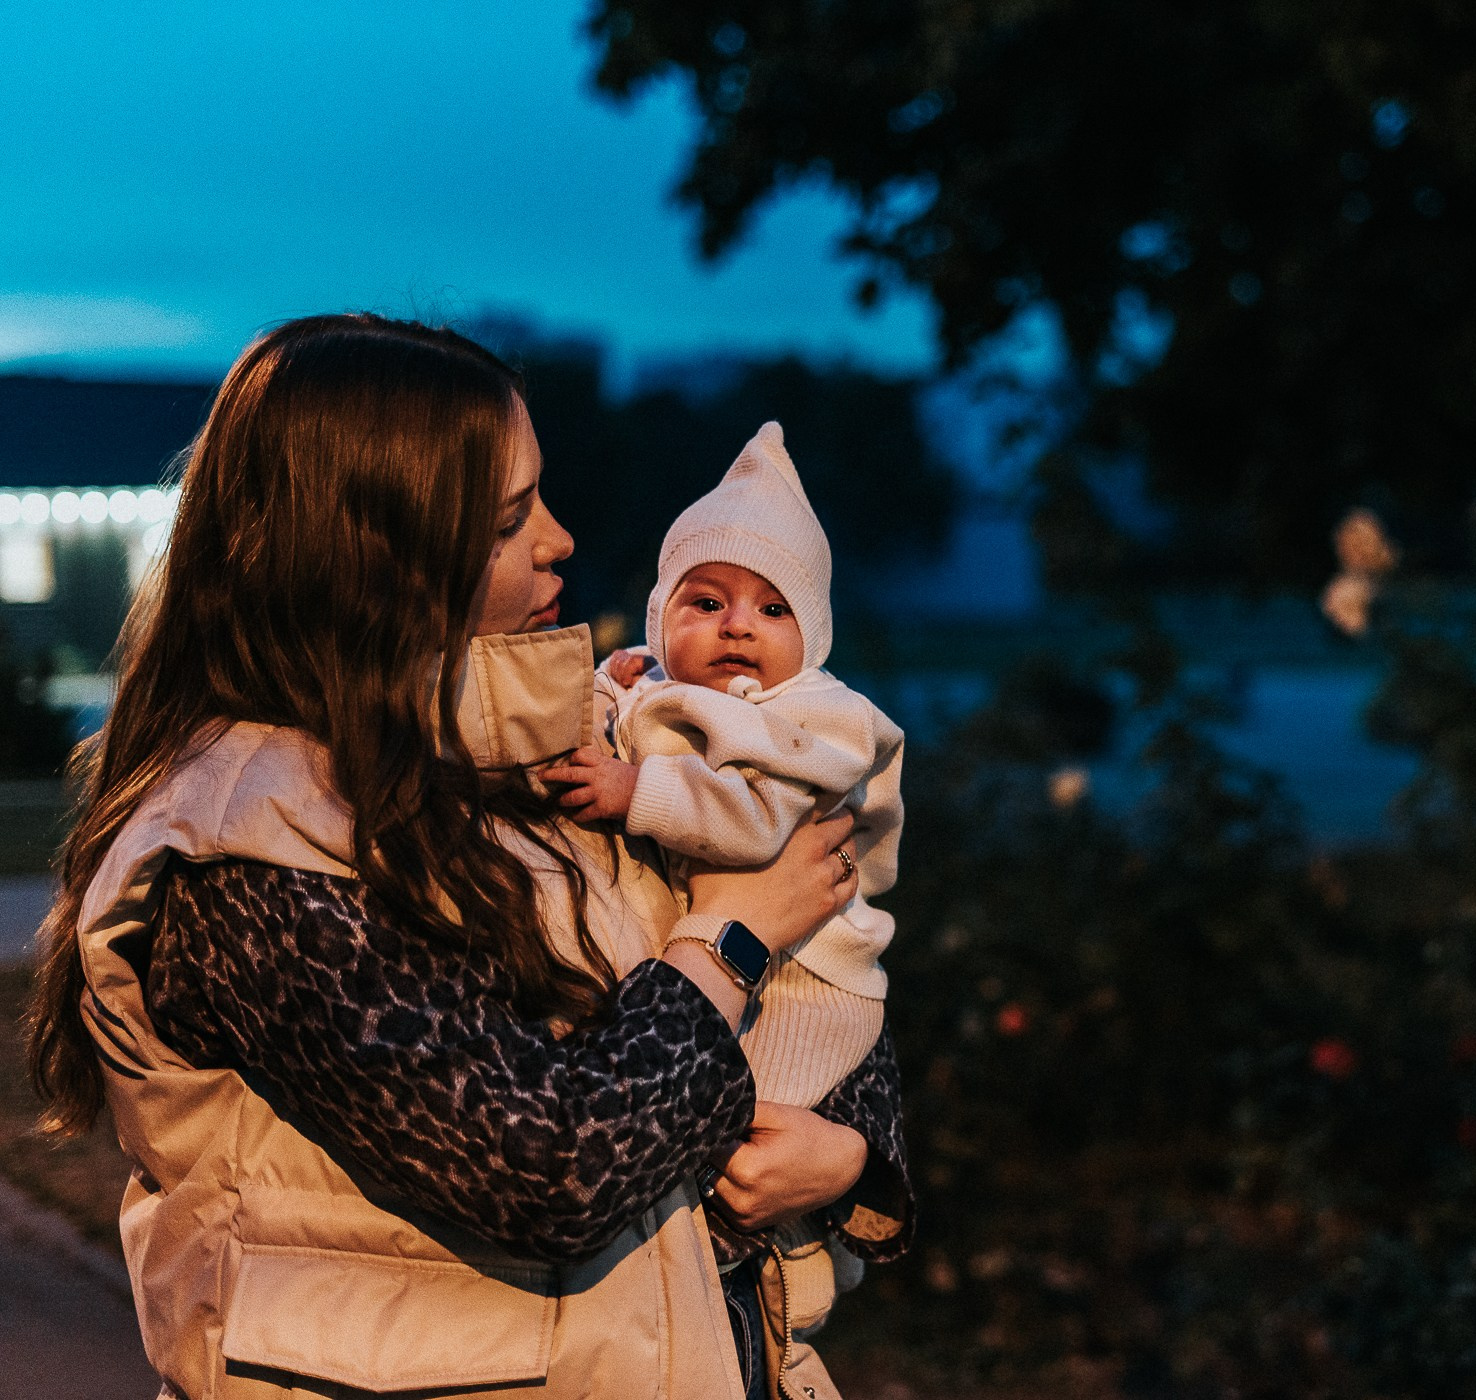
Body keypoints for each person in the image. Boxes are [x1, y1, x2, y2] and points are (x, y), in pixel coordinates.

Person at [22, 314, 910, 1400]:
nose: (561, 538)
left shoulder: (538, 756)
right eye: (504, 521)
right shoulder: (247, 855)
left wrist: (856, 1154)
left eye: (541, 494)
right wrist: (731, 936)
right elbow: (549, 1164)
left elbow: (825, 948)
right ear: (369, 560)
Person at [546, 421, 905, 1339]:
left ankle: (805, 1266)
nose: (738, 625)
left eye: (773, 610)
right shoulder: (674, 693)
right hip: (738, 969)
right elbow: (634, 726)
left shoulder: (814, 724)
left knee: (752, 1137)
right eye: (705, 602)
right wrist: (610, 687)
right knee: (719, 1149)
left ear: (813, 635)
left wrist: (636, 790)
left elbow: (755, 823)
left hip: (810, 981)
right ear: (663, 614)